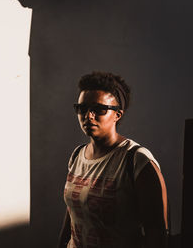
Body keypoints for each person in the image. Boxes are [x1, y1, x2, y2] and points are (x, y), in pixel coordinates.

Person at [58, 72, 169, 248]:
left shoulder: (136, 160)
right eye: (82, 108)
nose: (89, 115)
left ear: (117, 114)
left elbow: (157, 233)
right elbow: (73, 213)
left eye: (99, 109)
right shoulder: (77, 155)